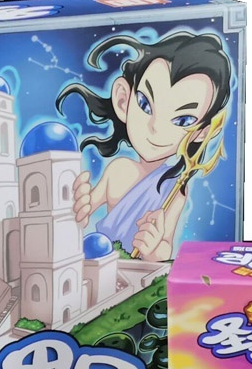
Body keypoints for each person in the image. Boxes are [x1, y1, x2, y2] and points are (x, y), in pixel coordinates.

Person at [56, 32, 231, 261]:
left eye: (183, 120)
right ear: (123, 100)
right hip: (98, 260)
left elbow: (166, 246)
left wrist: (153, 247)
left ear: (201, 132)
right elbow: (83, 215)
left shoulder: (175, 189)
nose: (156, 127)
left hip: (136, 271)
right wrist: (78, 204)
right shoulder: (118, 169)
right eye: (145, 104)